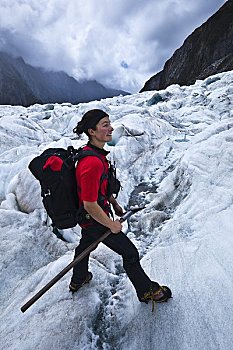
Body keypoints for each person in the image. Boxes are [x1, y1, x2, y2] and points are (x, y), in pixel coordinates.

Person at [70, 109, 171, 307]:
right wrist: (110, 224)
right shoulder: (91, 162)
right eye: (105, 125)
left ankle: (78, 278)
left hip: (90, 218)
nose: (111, 128)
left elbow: (98, 187)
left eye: (110, 123)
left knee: (86, 245)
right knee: (130, 253)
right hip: (94, 218)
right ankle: (146, 291)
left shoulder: (94, 154)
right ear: (92, 131)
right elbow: (89, 204)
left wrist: (113, 202)